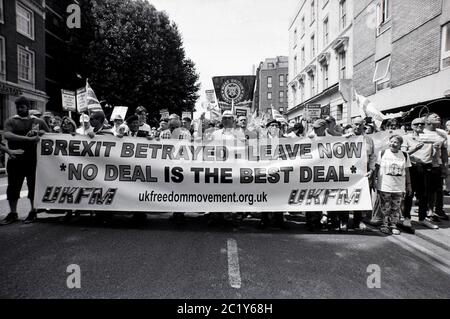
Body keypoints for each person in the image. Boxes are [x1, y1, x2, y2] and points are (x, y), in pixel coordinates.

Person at [0, 96, 50, 225]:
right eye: (17, 107)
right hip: (15, 159)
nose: (19, 110)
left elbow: (51, 136)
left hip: (33, 159)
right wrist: (28, 139)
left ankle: (33, 211)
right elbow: (7, 135)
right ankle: (13, 213)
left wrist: (43, 134)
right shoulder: (11, 121)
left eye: (22, 107)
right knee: (13, 187)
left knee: (33, 186)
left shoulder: (38, 121)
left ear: (28, 107)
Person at [402, 117, 438, 229]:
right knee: (409, 193)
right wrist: (414, 149)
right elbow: (403, 154)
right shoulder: (407, 137)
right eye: (416, 124)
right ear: (412, 126)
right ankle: (407, 218)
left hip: (426, 167)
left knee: (424, 194)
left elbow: (434, 153)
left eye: (422, 124)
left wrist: (436, 149)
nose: (419, 126)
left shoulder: (429, 136)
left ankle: (422, 218)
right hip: (413, 167)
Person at [373, 135, 412, 235]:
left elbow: (407, 171)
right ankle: (384, 225)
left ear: (400, 145)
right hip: (385, 185)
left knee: (396, 208)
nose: (393, 144)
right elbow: (376, 168)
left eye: (396, 142)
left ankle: (393, 225)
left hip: (399, 187)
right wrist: (374, 181)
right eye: (391, 142)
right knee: (385, 207)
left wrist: (409, 185)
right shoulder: (382, 153)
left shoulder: (404, 155)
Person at [259, 120, 288, 230]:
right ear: (268, 128)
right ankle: (264, 219)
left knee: (279, 196)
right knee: (265, 195)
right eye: (272, 125)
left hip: (280, 172)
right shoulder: (261, 140)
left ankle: (279, 220)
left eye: (277, 125)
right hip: (266, 172)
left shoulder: (285, 140)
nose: (275, 127)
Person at [423, 113, 449, 221]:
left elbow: (443, 151)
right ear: (427, 121)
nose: (438, 117)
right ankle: (426, 211)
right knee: (426, 189)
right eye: (434, 117)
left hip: (437, 165)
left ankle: (436, 210)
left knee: (437, 189)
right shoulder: (421, 132)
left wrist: (445, 165)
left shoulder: (442, 133)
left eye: (439, 116)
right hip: (424, 164)